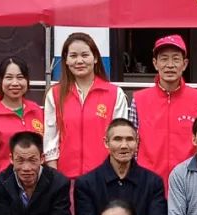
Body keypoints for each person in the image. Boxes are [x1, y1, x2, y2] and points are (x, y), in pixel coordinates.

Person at [73, 118, 169, 215]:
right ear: (106, 142)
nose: (124, 145)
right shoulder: (86, 184)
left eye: (130, 139)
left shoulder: (153, 182)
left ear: (137, 143)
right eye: (117, 139)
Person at [43, 32, 131, 179]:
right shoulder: (55, 94)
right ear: (66, 60)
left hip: (104, 179)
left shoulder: (115, 94)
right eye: (73, 56)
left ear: (95, 58)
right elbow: (50, 140)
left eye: (85, 55)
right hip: (65, 179)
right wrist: (56, 178)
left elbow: (121, 139)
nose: (79, 61)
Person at [131, 34, 197, 185]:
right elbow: (133, 143)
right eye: (164, 59)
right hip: (147, 183)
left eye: (176, 59)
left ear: (184, 64)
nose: (170, 65)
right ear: (155, 63)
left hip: (189, 182)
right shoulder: (139, 100)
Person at [0, 131, 72, 215]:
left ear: (42, 158)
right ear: (11, 159)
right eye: (20, 160)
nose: (26, 168)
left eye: (32, 160)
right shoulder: (0, 184)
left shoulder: (58, 183)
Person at [0, 57, 45, 180]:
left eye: (20, 77)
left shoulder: (37, 111)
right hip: (3, 184)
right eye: (9, 77)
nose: (15, 83)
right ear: (1, 81)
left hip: (36, 183)